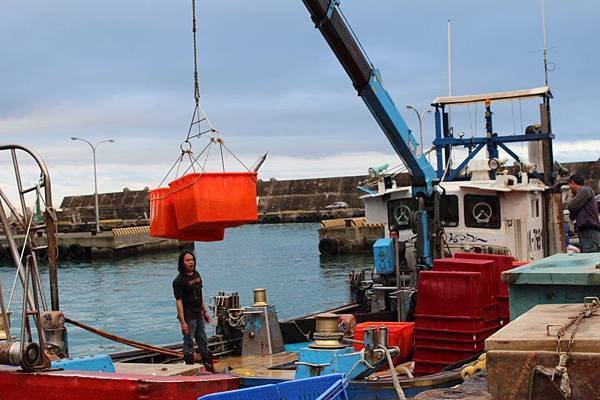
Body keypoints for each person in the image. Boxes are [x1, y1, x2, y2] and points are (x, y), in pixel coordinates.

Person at [172, 251, 215, 372]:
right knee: (189, 343)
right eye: (187, 260)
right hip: (188, 316)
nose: (191, 262)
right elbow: (178, 301)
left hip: (198, 314)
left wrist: (205, 311)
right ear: (182, 262)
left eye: (192, 259)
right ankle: (190, 369)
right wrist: (182, 322)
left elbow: (200, 294)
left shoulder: (196, 274)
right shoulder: (178, 281)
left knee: (203, 341)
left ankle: (209, 368)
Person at [567, 175, 600, 253]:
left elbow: (572, 206)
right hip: (586, 231)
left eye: (570, 185)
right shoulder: (583, 193)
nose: (570, 188)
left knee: (590, 256)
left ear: (573, 182)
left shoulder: (585, 190)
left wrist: (572, 213)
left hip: (589, 231)